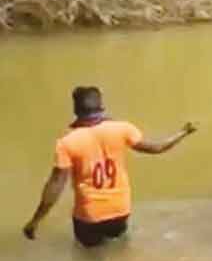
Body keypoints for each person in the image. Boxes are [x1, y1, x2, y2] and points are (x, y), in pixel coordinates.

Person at [23, 86, 198, 247]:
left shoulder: (67, 143)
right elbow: (158, 148)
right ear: (101, 106)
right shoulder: (123, 129)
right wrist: (183, 132)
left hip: (89, 216)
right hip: (120, 210)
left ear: (76, 110)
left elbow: (55, 187)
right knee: (116, 251)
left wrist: (35, 221)